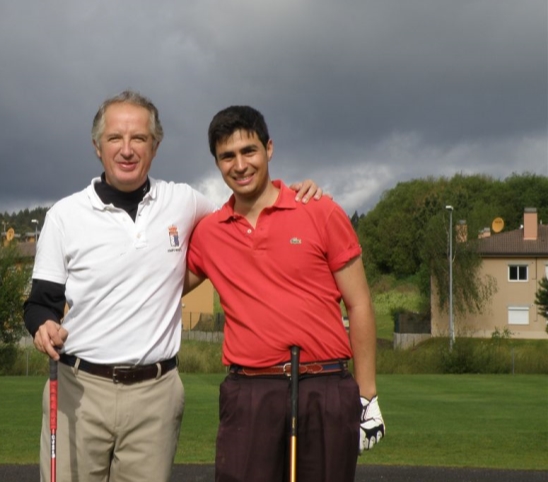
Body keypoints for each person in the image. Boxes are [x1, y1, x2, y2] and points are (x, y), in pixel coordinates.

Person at [22, 90, 324, 482]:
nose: (127, 149)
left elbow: (245, 212)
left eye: (139, 139)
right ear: (98, 147)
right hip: (79, 389)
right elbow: (40, 304)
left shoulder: (183, 201)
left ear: (156, 145)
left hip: (156, 395)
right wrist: (43, 326)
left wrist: (295, 194)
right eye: (115, 138)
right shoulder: (64, 215)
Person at [185, 105, 385, 482]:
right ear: (217, 163)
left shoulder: (319, 210)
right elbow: (157, 287)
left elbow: (359, 304)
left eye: (249, 151)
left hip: (324, 386)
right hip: (249, 391)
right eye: (227, 156)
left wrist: (368, 395)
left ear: (269, 149)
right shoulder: (210, 233)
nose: (240, 165)